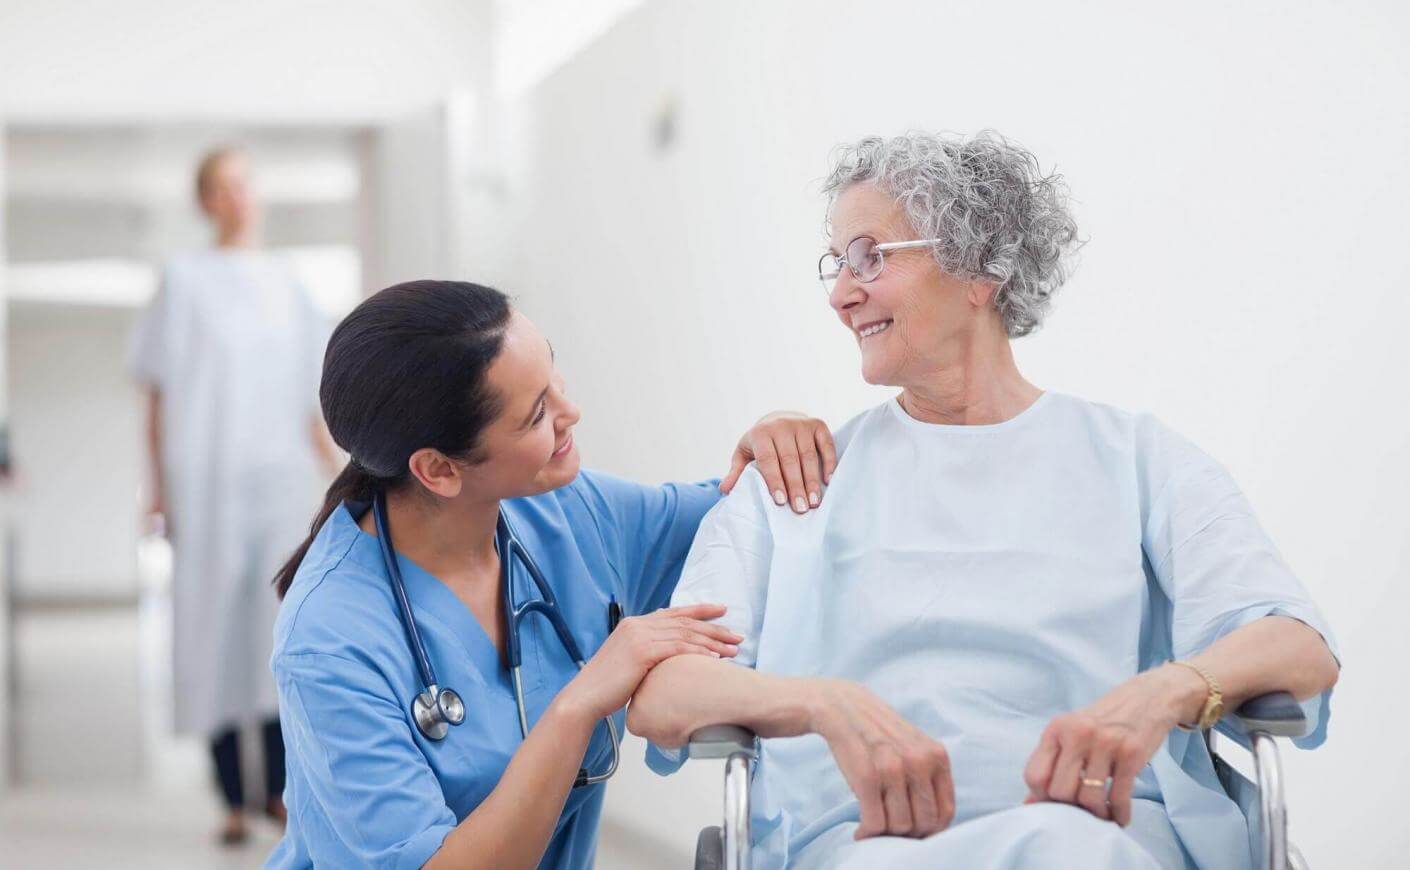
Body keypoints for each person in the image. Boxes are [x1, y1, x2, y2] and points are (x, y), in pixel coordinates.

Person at [626, 131, 1341, 869]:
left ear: (979, 266)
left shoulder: (1137, 459)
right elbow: (663, 694)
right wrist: (820, 704)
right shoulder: (798, 477)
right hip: (866, 845)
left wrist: (1165, 692)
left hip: (1103, 836)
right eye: (836, 266)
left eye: (870, 256)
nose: (841, 294)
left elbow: (1297, 644)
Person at [264, 279, 834, 869]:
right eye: (537, 413)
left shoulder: (565, 515)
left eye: (553, 378)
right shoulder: (329, 643)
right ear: (438, 469)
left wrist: (780, 437)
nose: (571, 412)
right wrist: (579, 703)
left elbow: (743, 518)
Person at [132, 147, 340, 844]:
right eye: (221, 188)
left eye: (244, 184)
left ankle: (279, 792)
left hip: (279, 480)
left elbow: (315, 395)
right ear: (205, 202)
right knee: (215, 632)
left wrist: (341, 479)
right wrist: (156, 489)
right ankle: (228, 794)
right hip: (207, 483)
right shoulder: (184, 281)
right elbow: (156, 392)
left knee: (279, 629)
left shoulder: (290, 282)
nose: (236, 198)